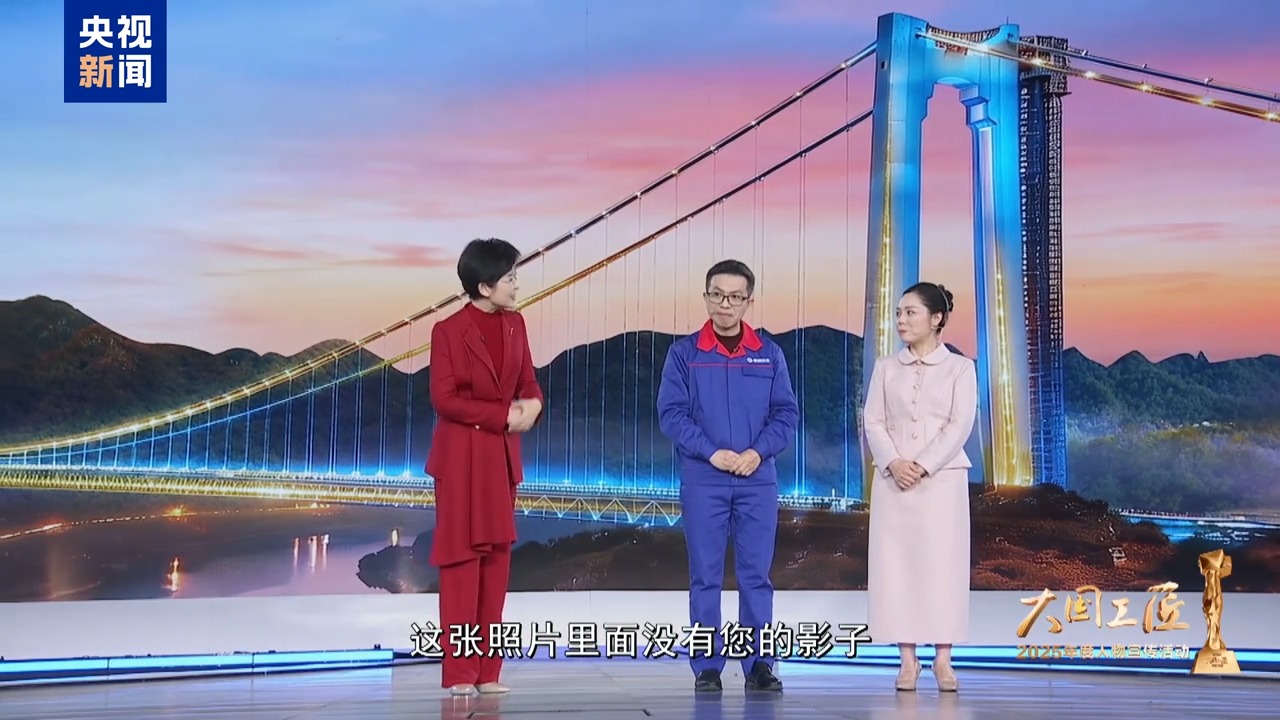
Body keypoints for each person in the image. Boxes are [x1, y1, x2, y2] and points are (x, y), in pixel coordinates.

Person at [657, 259, 799, 693]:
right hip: (705, 478)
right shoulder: (684, 354)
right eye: (717, 295)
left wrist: (758, 452)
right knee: (706, 577)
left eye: (735, 296)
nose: (725, 304)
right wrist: (711, 452)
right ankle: (707, 667)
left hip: (757, 478)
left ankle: (760, 665)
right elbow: (671, 414)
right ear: (706, 297)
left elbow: (786, 414)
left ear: (748, 301)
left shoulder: (769, 353)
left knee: (757, 577)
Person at [426, 238, 544, 696]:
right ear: (483, 285)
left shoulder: (516, 325)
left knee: (496, 564)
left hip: (501, 458)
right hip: (461, 460)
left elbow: (528, 381)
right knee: (462, 564)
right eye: (510, 277)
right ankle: (460, 673)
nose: (516, 285)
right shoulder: (448, 331)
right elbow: (444, 400)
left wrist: (533, 405)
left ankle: (488, 673)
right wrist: (502, 416)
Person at [861, 281, 977, 693]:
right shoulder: (885, 368)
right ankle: (907, 659)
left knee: (943, 566)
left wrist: (923, 465)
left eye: (910, 312)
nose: (901, 320)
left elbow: (960, 425)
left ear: (936, 318)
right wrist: (894, 463)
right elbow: (873, 420)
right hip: (893, 482)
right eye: (898, 313)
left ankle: (943, 658)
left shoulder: (960, 368)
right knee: (897, 567)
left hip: (942, 482)